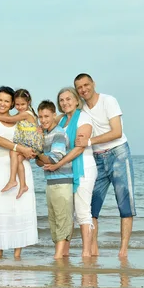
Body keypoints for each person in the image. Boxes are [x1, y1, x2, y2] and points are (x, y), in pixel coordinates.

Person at [74, 73, 136, 258]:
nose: (84, 89)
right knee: (91, 208)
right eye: (80, 87)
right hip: (96, 159)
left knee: (125, 204)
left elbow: (117, 132)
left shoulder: (108, 101)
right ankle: (94, 250)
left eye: (86, 85)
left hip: (118, 154)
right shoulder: (81, 109)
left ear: (93, 84)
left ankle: (123, 251)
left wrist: (90, 141)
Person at [0, 86, 38, 258]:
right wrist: (19, 147)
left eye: (7, 101)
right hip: (1, 169)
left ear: (12, 104)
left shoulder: (19, 120)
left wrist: (28, 150)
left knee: (20, 210)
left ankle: (17, 254)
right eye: (0, 100)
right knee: (0, 211)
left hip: (21, 166)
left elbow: (31, 136)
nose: (2, 103)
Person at [44, 87, 97, 258]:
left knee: (82, 211)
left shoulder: (83, 117)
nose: (65, 102)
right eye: (61, 100)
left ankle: (86, 253)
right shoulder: (60, 122)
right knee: (67, 213)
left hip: (83, 168)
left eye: (68, 99)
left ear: (76, 100)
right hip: (66, 171)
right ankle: (64, 252)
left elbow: (80, 147)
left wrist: (58, 163)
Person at [34, 100, 73, 259]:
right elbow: (39, 162)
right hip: (50, 182)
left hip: (62, 182)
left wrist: (38, 156)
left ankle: (58, 256)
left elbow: (56, 158)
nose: (43, 120)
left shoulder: (58, 133)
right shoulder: (44, 135)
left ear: (54, 115)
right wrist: (40, 156)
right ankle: (62, 254)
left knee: (62, 218)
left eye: (46, 116)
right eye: (40, 117)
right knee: (53, 219)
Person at [0, 89, 43, 199]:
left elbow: (9, 119)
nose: (20, 107)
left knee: (13, 153)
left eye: (23, 104)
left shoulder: (26, 114)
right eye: (17, 104)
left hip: (31, 145)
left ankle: (13, 180)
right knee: (16, 157)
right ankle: (22, 185)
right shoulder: (22, 113)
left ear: (29, 102)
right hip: (27, 145)